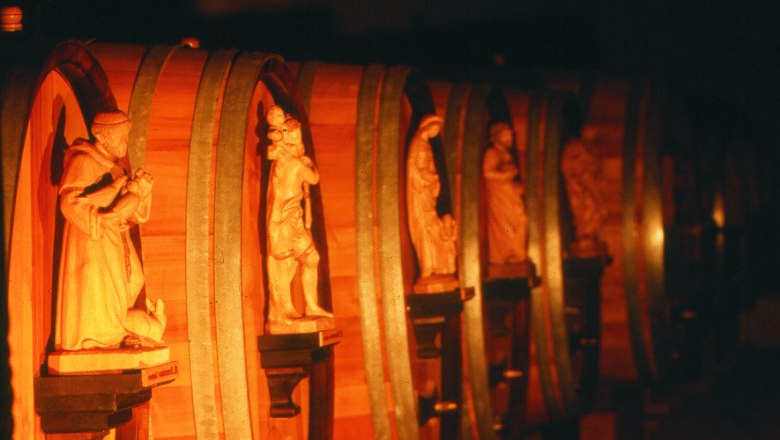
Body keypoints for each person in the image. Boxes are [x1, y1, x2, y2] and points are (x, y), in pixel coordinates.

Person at [55, 110, 166, 351]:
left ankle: (115, 333)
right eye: (120, 136)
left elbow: (133, 213)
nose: (125, 142)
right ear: (102, 136)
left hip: (115, 239)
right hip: (92, 241)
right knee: (99, 288)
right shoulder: (83, 161)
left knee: (130, 281)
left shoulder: (117, 170)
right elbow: (69, 203)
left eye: (126, 136)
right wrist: (101, 218)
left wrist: (142, 193)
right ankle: (98, 339)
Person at [265, 105, 332, 327]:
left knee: (311, 259)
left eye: (299, 137)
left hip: (293, 220)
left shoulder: (287, 160)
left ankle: (310, 305)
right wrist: (310, 162)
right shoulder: (293, 163)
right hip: (284, 222)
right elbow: (313, 178)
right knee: (285, 265)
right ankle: (284, 310)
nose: (300, 142)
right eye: (296, 138)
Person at [406, 115, 457, 278]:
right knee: (424, 226)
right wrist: (423, 180)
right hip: (419, 190)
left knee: (432, 226)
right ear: (426, 127)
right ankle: (427, 265)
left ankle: (437, 264)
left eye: (437, 129)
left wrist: (434, 180)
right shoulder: (417, 143)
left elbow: (431, 167)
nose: (435, 131)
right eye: (434, 127)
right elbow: (412, 166)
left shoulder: (427, 145)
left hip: (427, 190)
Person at [482, 121, 529, 264]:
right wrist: (506, 175)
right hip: (499, 195)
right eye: (506, 135)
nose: (510, 138)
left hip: (509, 193)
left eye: (510, 135)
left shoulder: (506, 153)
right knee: (505, 225)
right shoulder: (492, 153)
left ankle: (517, 251)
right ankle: (507, 253)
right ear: (498, 136)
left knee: (521, 219)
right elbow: (487, 173)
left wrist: (514, 184)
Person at [561, 124, 607, 243]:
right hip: (579, 186)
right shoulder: (574, 147)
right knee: (584, 208)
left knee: (595, 209)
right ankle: (584, 233)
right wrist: (576, 178)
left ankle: (591, 233)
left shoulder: (593, 149)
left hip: (590, 184)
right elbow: (568, 165)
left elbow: (596, 168)